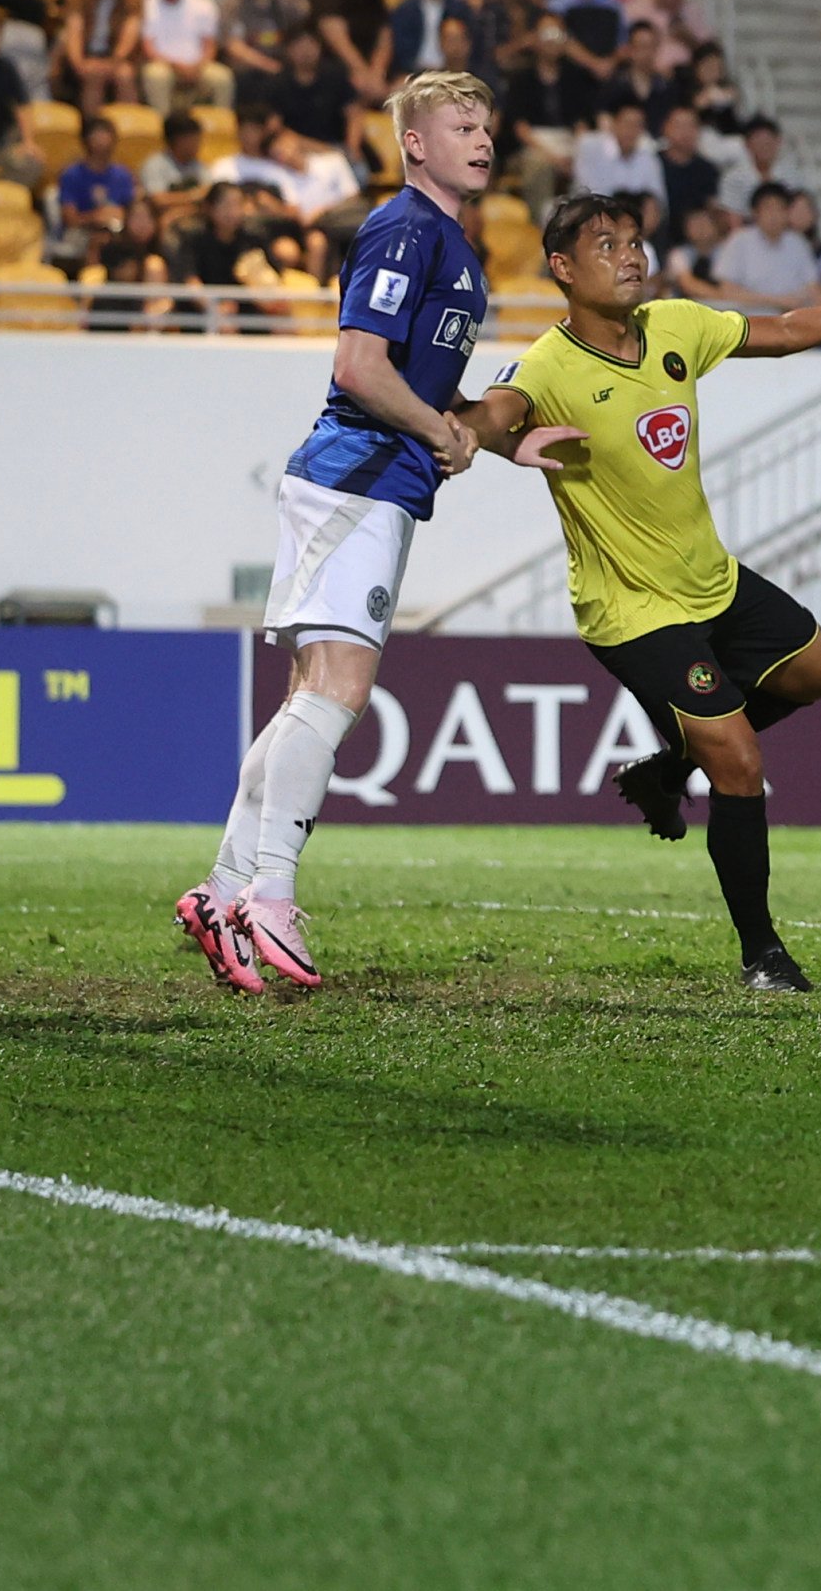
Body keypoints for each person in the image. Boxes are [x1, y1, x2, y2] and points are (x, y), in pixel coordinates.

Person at [440, 197, 821, 991]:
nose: (630, 256)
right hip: (632, 609)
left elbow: (780, 335)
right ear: (563, 270)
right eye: (606, 245)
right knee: (739, 761)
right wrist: (474, 433)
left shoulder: (676, 325)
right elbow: (496, 411)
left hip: (710, 579)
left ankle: (669, 768)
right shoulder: (547, 365)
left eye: (636, 241)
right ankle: (763, 955)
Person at [176, 73, 505, 996]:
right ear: (414, 144)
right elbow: (360, 366)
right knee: (338, 692)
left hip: (375, 482)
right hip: (355, 475)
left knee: (309, 698)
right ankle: (269, 895)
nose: (481, 138)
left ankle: (226, 889)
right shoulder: (404, 227)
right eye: (460, 125)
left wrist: (487, 431)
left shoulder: (452, 242)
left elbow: (426, 386)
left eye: (486, 125)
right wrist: (442, 431)